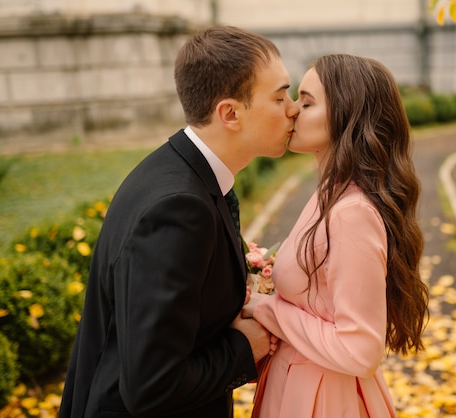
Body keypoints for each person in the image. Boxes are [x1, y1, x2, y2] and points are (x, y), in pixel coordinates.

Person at [59, 26, 298, 418]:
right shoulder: (178, 208)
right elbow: (152, 386)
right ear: (230, 114)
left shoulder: (183, 173)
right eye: (280, 96)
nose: (292, 108)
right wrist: (244, 349)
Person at [242, 54, 429, 417]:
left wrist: (266, 309)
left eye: (307, 102)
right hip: (299, 383)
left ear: (347, 117)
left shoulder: (351, 214)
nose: (292, 110)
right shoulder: (332, 192)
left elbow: (360, 350)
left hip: (323, 398)